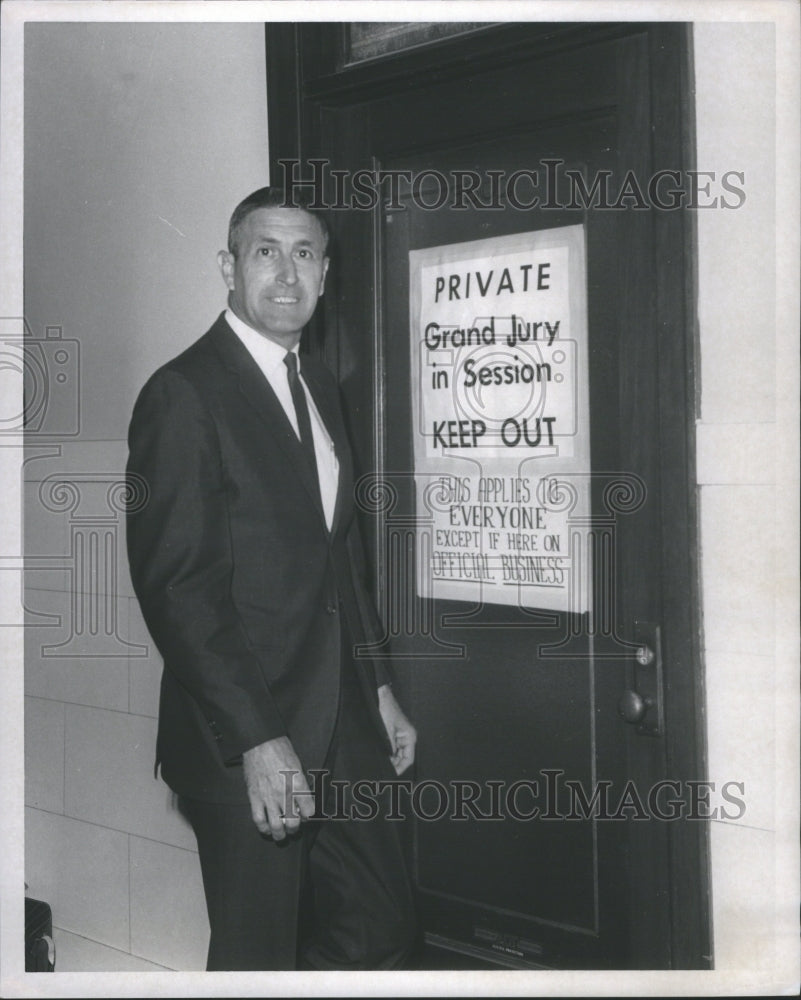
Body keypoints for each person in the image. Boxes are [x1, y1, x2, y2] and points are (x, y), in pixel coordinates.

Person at [125, 186, 417, 970]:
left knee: (379, 932)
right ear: (228, 266)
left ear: (324, 276)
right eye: (265, 252)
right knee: (258, 957)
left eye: (304, 254)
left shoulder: (318, 385)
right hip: (247, 731)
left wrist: (379, 686)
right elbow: (177, 587)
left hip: (344, 721)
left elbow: (339, 558)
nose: (286, 274)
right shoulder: (182, 394)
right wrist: (257, 739)